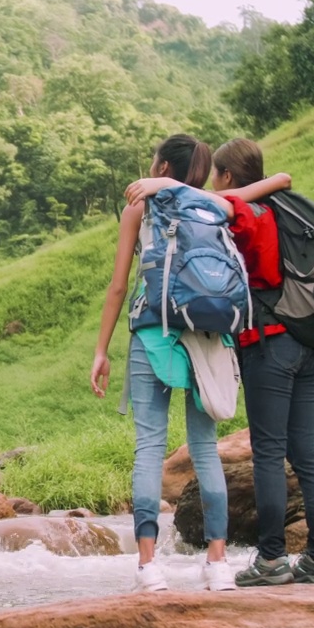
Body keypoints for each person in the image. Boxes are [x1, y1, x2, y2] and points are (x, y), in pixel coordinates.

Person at [126, 138, 314, 587]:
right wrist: (278, 179)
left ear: (224, 178)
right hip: (308, 342)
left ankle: (271, 559)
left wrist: (162, 181)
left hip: (268, 343)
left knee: (267, 450)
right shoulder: (287, 209)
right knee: (308, 453)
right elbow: (278, 182)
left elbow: (204, 201)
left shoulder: (235, 210)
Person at [90, 134, 285, 592]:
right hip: (209, 336)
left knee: (150, 448)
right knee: (204, 448)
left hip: (154, 333)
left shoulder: (140, 205)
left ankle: (148, 565)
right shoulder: (214, 203)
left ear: (161, 168)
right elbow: (280, 179)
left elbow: (119, 286)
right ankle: (218, 563)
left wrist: (101, 351)